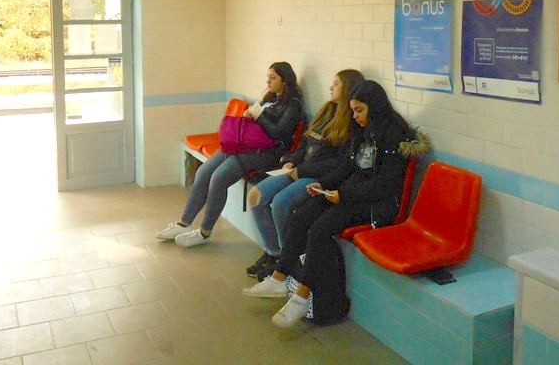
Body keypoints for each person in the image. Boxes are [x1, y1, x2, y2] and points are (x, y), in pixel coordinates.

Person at [242, 80, 416, 328]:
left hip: (378, 205)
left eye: (359, 110)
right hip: (353, 193)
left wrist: (342, 194)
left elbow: (384, 186)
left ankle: (302, 297)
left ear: (375, 107)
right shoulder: (363, 130)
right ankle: (279, 277)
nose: (355, 116)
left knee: (320, 229)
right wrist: (323, 185)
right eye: (353, 110)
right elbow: (348, 165)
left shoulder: (394, 136)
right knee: (301, 215)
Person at [156, 62, 304, 248]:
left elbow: (279, 133)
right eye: (268, 76)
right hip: (244, 145)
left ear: (286, 81)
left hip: (266, 153)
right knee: (203, 173)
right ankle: (183, 224)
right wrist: (250, 116)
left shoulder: (293, 105)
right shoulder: (270, 97)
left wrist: (258, 116)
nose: (268, 81)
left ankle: (204, 232)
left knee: (218, 178)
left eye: (273, 78)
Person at [244, 69, 365, 280]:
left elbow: (340, 163)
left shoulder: (352, 122)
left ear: (348, 88)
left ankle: (287, 263)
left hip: (318, 176)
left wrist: (302, 170)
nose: (330, 87)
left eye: (336, 84)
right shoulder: (327, 110)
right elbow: (307, 141)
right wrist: (292, 159)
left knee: (280, 203)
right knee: (256, 196)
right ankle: (274, 254)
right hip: (299, 168)